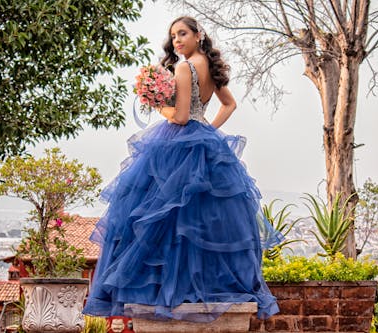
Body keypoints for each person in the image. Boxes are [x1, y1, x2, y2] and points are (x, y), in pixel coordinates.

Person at [83, 16, 284, 323]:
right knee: (201, 221)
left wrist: (154, 102)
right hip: (203, 141)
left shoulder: (182, 66)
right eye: (173, 35)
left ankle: (170, 295)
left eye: (182, 34)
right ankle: (200, 290)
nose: (177, 40)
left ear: (197, 34)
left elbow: (177, 117)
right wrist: (207, 131)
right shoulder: (211, 67)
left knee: (164, 220)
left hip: (177, 143)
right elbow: (229, 104)